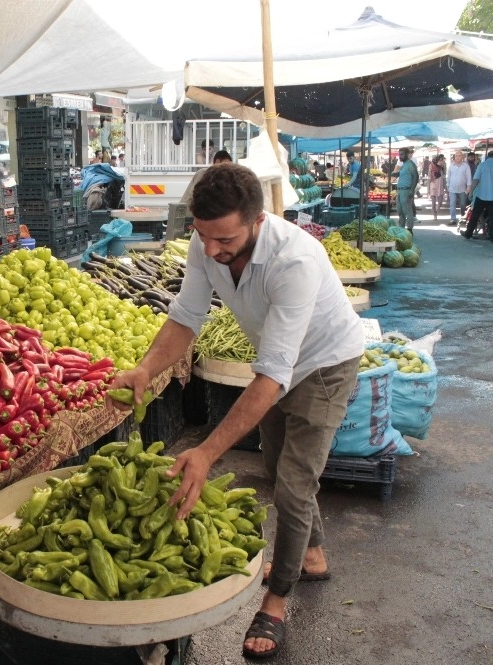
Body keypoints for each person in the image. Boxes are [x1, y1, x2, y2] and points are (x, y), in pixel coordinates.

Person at [109, 164, 363, 660]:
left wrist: (205, 453)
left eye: (223, 238)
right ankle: (310, 556)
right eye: (202, 236)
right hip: (275, 361)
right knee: (274, 465)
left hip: (326, 363)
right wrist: (144, 371)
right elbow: (186, 317)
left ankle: (277, 599)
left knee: (293, 482)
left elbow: (271, 377)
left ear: (256, 220)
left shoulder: (295, 262)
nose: (210, 249)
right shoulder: (207, 246)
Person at [463, 150, 493, 243]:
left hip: (481, 195)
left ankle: (468, 233)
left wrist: (471, 193)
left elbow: (475, 180)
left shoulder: (482, 165)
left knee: (475, 215)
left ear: (487, 156)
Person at [394, 147, 419, 231]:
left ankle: (409, 230)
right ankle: (401, 229)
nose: (400, 156)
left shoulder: (410, 164)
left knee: (407, 212)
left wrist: (412, 190)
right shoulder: (404, 165)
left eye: (402, 154)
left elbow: (416, 176)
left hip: (406, 190)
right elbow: (402, 174)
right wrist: (392, 174)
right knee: (400, 211)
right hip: (400, 191)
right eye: (399, 154)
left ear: (407, 155)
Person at [428, 154, 446, 221]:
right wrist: (428, 190)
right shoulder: (431, 167)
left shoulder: (442, 168)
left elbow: (444, 178)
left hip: (440, 186)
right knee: (433, 202)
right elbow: (429, 179)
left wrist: (445, 187)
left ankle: (437, 210)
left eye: (442, 160)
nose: (442, 162)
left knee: (440, 202)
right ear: (437, 161)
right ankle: (434, 215)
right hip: (433, 186)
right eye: (441, 160)